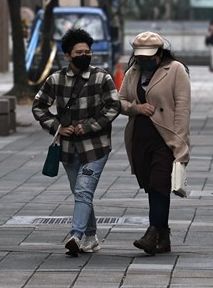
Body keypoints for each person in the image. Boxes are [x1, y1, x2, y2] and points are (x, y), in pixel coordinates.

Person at [32, 28, 121, 257]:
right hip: (68, 148)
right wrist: (57, 127)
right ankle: (91, 237)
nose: (85, 55)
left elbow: (113, 106)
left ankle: (75, 235)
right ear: (68, 56)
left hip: (96, 146)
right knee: (81, 192)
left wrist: (90, 125)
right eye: (79, 52)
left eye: (88, 51)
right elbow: (39, 106)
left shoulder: (102, 77)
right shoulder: (56, 79)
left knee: (83, 189)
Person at [119, 31, 191, 255]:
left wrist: (180, 145)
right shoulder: (133, 72)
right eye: (140, 57)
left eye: (149, 57)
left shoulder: (176, 70)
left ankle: (152, 232)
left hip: (165, 137)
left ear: (160, 54)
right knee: (151, 186)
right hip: (140, 136)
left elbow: (182, 108)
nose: (144, 61)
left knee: (160, 182)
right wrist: (135, 108)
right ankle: (163, 235)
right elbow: (119, 101)